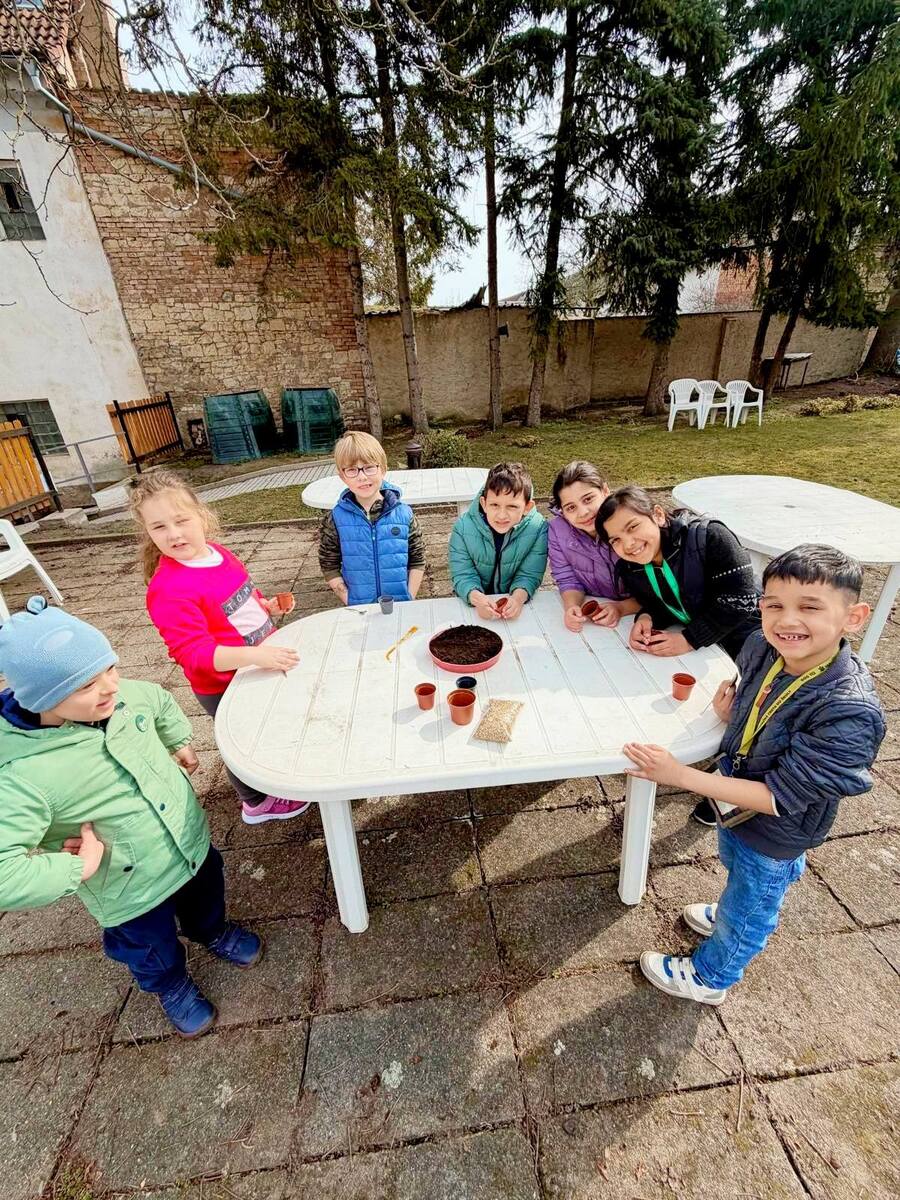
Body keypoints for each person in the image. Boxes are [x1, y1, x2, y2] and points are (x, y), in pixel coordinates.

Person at [622, 545, 886, 1006]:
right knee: (740, 868)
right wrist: (733, 714)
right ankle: (746, 902)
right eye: (774, 605)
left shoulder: (850, 711)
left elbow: (778, 797)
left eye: (809, 607)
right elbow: (762, 705)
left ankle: (711, 976)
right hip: (738, 808)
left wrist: (678, 774)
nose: (787, 620)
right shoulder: (764, 646)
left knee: (753, 899)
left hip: (776, 827)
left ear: (854, 617)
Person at [0, 598, 262, 1037]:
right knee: (148, 944)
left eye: (111, 668)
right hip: (126, 887)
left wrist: (178, 739)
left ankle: (212, 931)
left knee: (206, 893)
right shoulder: (21, 774)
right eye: (87, 685)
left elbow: (157, 700)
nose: (109, 687)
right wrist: (75, 868)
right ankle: (171, 985)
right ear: (42, 698)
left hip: (187, 843)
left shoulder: (121, 697)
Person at [131, 470, 308, 826]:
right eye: (159, 527)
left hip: (255, 666)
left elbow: (241, 596)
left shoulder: (219, 554)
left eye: (181, 520)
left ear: (201, 515)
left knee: (266, 729)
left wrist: (267, 606)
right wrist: (257, 655)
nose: (174, 534)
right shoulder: (168, 589)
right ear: (148, 532)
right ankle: (255, 802)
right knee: (240, 741)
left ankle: (274, 777)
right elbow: (194, 655)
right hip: (223, 684)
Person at [597, 484, 762, 826]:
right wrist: (647, 618)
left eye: (633, 527)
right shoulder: (631, 566)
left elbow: (742, 600)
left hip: (753, 643)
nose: (628, 543)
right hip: (710, 650)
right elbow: (663, 599)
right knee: (714, 711)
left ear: (657, 515)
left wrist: (688, 639)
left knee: (749, 713)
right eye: (616, 539)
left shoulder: (710, 537)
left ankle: (732, 791)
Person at [318, 431, 425, 606]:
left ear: (383, 469)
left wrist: (409, 598)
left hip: (400, 607)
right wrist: (348, 599)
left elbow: (417, 559)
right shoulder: (335, 519)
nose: (362, 476)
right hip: (360, 609)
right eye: (352, 470)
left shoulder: (404, 514)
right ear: (342, 476)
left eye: (369, 467)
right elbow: (329, 564)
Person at [449, 461, 548, 620]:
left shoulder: (538, 528)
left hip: (516, 601)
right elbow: (462, 573)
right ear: (484, 503)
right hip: (473, 603)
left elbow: (530, 574)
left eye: (512, 507)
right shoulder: (462, 527)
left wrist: (518, 598)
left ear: (527, 507)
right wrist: (477, 598)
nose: (502, 515)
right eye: (494, 505)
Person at [548, 460, 640, 632]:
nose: (583, 512)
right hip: (595, 619)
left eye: (588, 499)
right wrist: (572, 606)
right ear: (562, 511)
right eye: (571, 507)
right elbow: (567, 577)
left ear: (605, 491)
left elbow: (659, 586)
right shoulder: (557, 530)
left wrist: (622, 608)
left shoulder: (629, 522)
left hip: (643, 615)